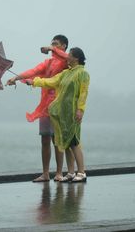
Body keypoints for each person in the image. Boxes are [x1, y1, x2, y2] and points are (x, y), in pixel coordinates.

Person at [6, 35, 70, 182]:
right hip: (45, 106)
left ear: (64, 46)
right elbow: (33, 72)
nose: (52, 46)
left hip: (59, 105)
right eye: (52, 43)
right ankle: (46, 173)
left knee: (58, 140)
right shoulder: (48, 62)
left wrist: (51, 48)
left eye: (56, 44)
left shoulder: (67, 62)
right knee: (45, 139)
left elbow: (66, 58)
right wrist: (16, 78)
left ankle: (59, 173)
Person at [27, 47, 90, 182]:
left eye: (70, 56)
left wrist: (80, 109)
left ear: (76, 58)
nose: (67, 57)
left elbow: (83, 93)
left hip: (73, 112)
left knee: (74, 140)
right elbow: (51, 81)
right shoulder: (66, 73)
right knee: (66, 141)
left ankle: (82, 172)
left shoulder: (82, 74)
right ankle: (71, 173)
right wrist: (34, 81)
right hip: (63, 113)